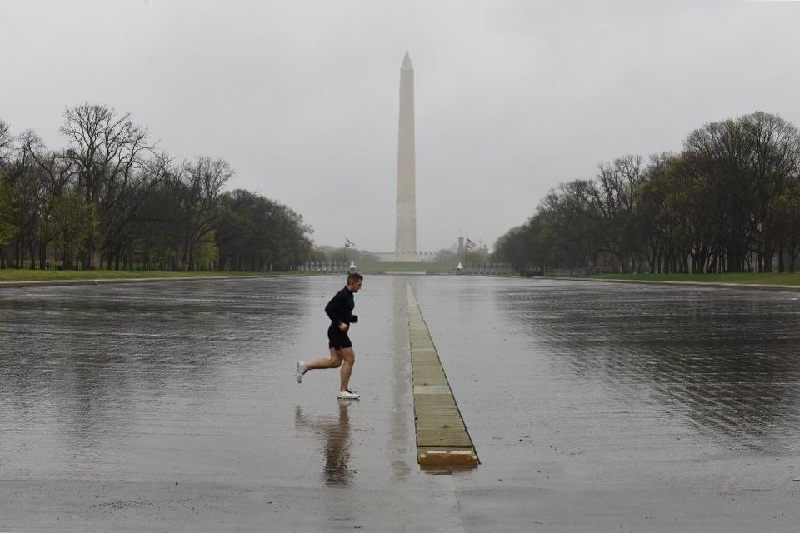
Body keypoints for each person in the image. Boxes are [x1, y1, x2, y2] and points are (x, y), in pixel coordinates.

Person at [296, 272, 363, 399]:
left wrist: (349, 318)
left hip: (336, 332)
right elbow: (328, 309)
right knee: (350, 359)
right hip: (337, 332)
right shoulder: (342, 295)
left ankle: (304, 366)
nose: (360, 287)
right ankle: (343, 390)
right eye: (359, 285)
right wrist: (339, 323)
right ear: (352, 283)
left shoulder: (349, 295)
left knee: (335, 362)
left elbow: (341, 310)